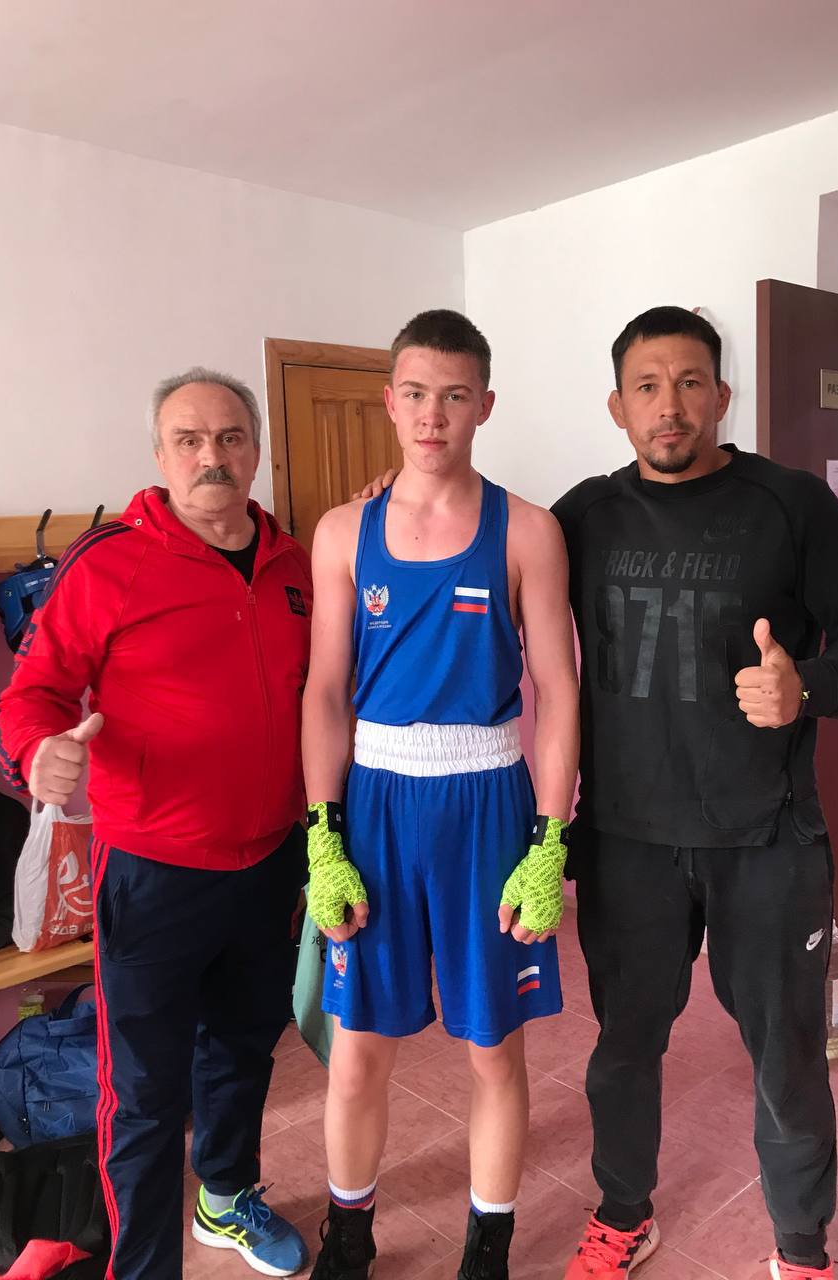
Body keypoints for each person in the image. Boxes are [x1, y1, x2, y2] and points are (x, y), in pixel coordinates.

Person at [551, 307, 838, 1280]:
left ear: (722, 395)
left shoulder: (790, 503)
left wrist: (808, 687)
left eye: (690, 382)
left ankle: (802, 1248)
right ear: (618, 406)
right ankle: (624, 1214)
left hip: (768, 841)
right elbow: (477, 557)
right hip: (626, 841)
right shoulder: (581, 516)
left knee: (788, 1057)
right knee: (624, 1048)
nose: (669, 405)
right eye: (648, 386)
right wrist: (395, 496)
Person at [0, 368, 313, 1280]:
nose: (213, 456)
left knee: (244, 1050)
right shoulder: (109, 562)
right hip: (152, 874)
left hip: (269, 863)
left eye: (231, 437)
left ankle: (226, 1197)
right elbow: (30, 694)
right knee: (143, 1093)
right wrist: (38, 752)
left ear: (256, 450)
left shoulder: (294, 564)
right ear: (160, 454)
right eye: (189, 440)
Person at [301, 309, 579, 1280]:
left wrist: (549, 840)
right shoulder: (343, 531)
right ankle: (348, 1233)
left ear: (484, 405)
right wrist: (322, 833)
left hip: (487, 806)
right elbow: (324, 689)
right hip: (375, 806)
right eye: (416, 393)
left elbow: (558, 692)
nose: (433, 414)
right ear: (389, 401)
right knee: (358, 1048)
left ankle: (488, 1244)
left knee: (493, 1048)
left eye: (454, 395)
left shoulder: (530, 529)